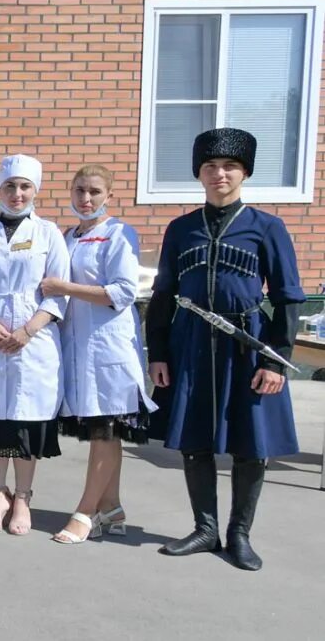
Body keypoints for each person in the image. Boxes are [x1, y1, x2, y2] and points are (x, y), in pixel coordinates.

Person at [146, 128, 302, 571]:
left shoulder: (267, 227)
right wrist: (157, 352)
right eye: (210, 167)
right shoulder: (181, 229)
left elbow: (288, 295)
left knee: (250, 445)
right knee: (194, 441)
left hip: (248, 345)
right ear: (199, 174)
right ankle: (205, 528)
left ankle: (239, 534)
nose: (220, 174)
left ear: (243, 173)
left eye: (229, 167)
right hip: (190, 343)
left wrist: (276, 358)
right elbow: (163, 295)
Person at [42, 165, 156, 544]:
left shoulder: (120, 234)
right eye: (79, 191)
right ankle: (113, 506)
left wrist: (64, 287)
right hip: (76, 348)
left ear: (110, 194)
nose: (85, 199)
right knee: (102, 434)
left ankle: (85, 511)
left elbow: (122, 292)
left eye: (93, 191)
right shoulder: (67, 235)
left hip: (109, 350)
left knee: (106, 430)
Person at [0, 154, 70, 536]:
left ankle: (22, 496)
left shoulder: (49, 233)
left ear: (35, 190)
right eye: (10, 186)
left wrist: (27, 331)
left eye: (24, 186)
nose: (17, 193)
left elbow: (57, 292)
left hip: (32, 341)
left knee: (26, 422)